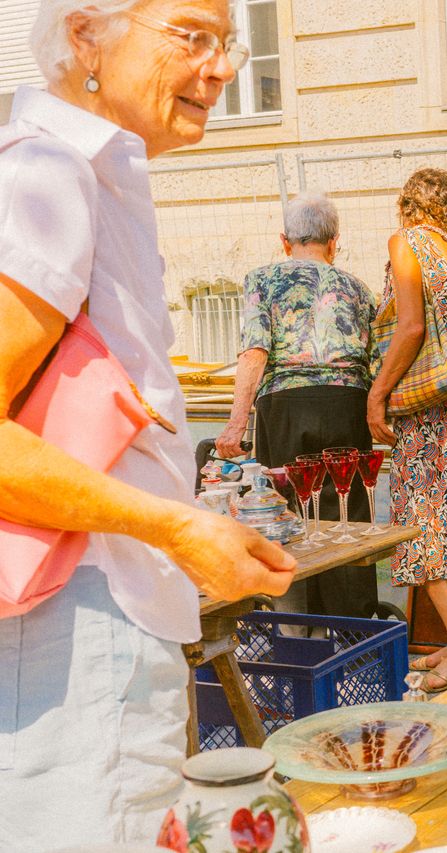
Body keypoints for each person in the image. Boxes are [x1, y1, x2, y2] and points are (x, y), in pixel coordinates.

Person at [0, 0, 297, 846]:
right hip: (71, 639)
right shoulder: (47, 173)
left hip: (89, 629)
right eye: (192, 35)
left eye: (226, 41)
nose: (224, 66)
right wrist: (174, 525)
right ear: (85, 32)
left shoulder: (83, 173)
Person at [216, 193, 379, 618]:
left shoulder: (262, 280)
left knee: (283, 516)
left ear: (285, 241)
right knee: (348, 520)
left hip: (286, 406)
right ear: (334, 241)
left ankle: (297, 630)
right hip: (349, 402)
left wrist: (236, 426)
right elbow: (376, 359)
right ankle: (355, 638)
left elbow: (255, 351)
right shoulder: (358, 289)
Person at [367, 168, 447, 689]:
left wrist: (376, 393)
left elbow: (412, 327)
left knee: (427, 521)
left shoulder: (406, 242)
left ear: (406, 205)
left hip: (428, 405)